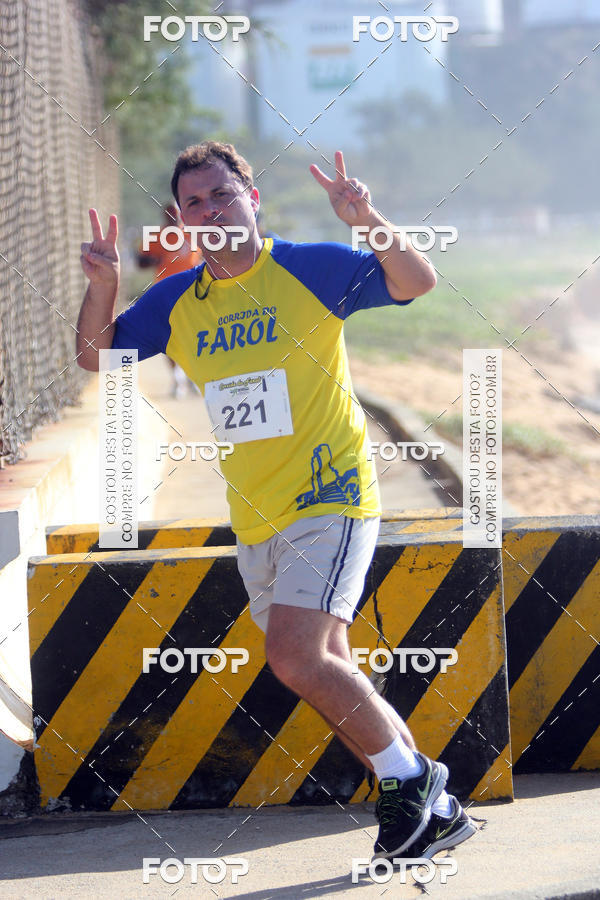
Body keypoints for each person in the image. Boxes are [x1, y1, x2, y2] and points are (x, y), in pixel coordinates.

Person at [76, 141, 476, 863]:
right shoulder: (178, 300)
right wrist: (103, 283)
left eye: (222, 195)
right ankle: (432, 807)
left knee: (294, 655)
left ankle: (413, 778)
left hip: (332, 494)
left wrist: (365, 216)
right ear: (181, 220)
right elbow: (97, 355)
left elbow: (417, 281)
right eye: (194, 203)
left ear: (251, 199)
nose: (210, 211)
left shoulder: (308, 267)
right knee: (327, 666)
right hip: (256, 515)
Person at [135, 203, 202, 399]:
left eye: (176, 214)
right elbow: (140, 261)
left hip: (191, 294)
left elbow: (204, 257)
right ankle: (177, 378)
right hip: (165, 294)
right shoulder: (156, 237)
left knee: (193, 335)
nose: (173, 218)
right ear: (164, 216)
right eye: (169, 215)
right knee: (169, 337)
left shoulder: (192, 234)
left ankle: (191, 376)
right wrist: (155, 260)